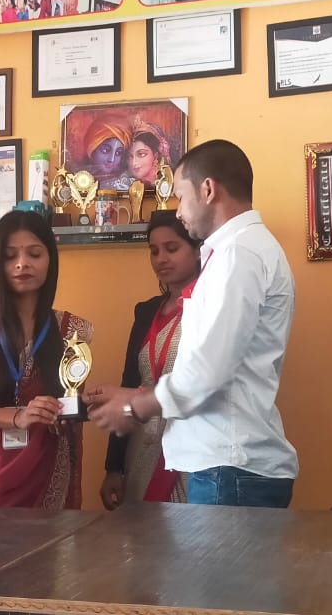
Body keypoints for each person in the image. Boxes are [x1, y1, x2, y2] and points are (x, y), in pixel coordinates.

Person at [87, 139, 298, 508]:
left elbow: (207, 371)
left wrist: (135, 407)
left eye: (181, 197)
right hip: (227, 464)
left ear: (208, 190)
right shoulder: (237, 250)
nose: (180, 211)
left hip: (229, 468)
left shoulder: (239, 254)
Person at [0, 210, 93, 508]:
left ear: (50, 260)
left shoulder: (72, 330)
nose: (22, 263)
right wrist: (18, 416)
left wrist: (79, 408)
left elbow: (70, 400)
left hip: (45, 471)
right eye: (10, 256)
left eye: (34, 254)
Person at [100, 212, 201, 509]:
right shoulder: (146, 312)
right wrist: (113, 468)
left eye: (172, 248)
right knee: (143, 532)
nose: (161, 259)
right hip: (142, 444)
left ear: (197, 250)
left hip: (191, 445)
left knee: (189, 530)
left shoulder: (209, 308)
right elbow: (128, 384)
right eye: (154, 251)